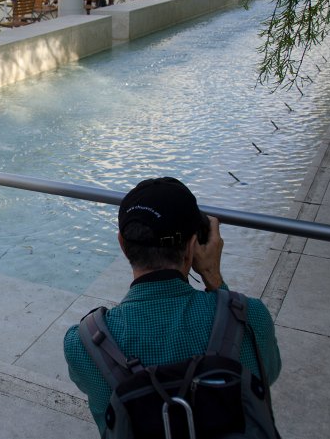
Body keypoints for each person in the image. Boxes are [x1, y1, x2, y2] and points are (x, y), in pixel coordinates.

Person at [63, 177, 281, 437]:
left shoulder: (82, 344)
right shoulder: (251, 318)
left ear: (122, 244)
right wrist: (214, 278)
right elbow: (267, 374)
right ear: (193, 246)